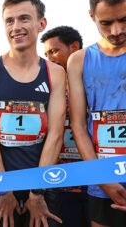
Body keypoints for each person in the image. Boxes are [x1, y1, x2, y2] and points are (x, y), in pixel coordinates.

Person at [0, 0, 66, 227]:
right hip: (0, 184)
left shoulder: (55, 73)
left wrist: (38, 191)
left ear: (41, 23)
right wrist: (3, 190)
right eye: (9, 21)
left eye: (24, 18)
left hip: (42, 186)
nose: (16, 27)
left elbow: (55, 135)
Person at [67, 0, 126, 226]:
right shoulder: (79, 61)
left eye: (124, 20)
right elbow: (79, 125)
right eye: (106, 22)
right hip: (103, 181)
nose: (116, 31)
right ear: (92, 17)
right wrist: (103, 179)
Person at [41, 26, 89, 227]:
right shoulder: (45, 91)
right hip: (59, 183)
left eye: (54, 51)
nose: (49, 59)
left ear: (75, 47)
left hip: (95, 184)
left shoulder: (95, 85)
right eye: (45, 54)